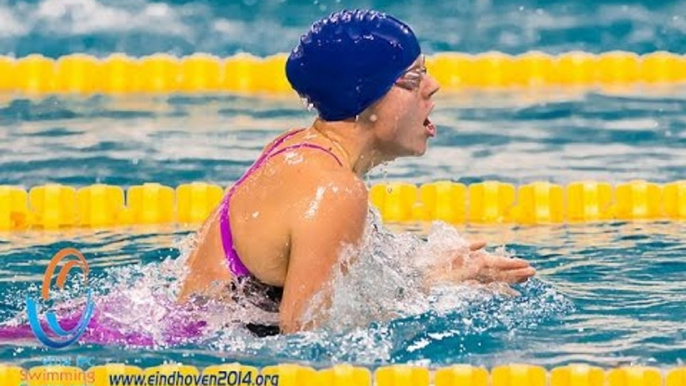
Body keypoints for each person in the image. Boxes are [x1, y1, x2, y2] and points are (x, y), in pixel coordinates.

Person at [178, 9, 535, 336]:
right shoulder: (334, 190)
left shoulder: (297, 147)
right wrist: (436, 285)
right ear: (366, 98)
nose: (432, 85)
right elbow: (306, 336)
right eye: (413, 78)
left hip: (182, 335)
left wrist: (420, 272)